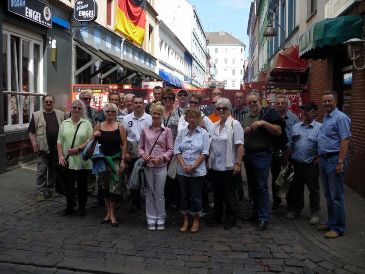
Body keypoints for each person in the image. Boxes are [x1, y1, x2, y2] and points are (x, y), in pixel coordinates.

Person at [243, 92, 284, 231]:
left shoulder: (268, 113)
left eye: (254, 101)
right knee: (252, 186)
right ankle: (255, 214)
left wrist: (263, 123)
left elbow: (278, 131)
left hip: (262, 155)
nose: (253, 104)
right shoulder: (247, 116)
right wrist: (245, 131)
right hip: (248, 155)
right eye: (250, 103)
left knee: (261, 187)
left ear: (259, 101)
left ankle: (263, 218)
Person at [317, 91, 351, 238]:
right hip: (324, 160)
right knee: (328, 194)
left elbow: (345, 140)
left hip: (334, 160)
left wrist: (340, 161)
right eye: (324, 101)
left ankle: (338, 228)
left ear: (336, 101)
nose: (327, 104)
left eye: (329, 101)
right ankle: (331, 222)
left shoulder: (341, 118)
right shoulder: (326, 116)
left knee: (336, 195)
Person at [208, 98, 244, 230]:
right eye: (219, 109)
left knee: (229, 194)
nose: (221, 111)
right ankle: (217, 216)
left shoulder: (235, 124)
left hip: (229, 166)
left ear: (229, 110)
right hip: (216, 166)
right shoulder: (215, 125)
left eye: (224, 108)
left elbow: (240, 146)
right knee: (217, 194)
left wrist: (238, 164)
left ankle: (231, 218)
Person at [285, 102, 321, 224]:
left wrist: (320, 157)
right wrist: (286, 159)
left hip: (311, 164)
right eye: (303, 110)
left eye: (307, 110)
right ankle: (296, 209)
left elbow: (324, 145)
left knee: (313, 189)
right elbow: (290, 144)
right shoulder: (296, 127)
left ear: (314, 112)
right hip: (297, 163)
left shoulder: (320, 128)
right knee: (296, 188)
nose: (304, 112)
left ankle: (315, 213)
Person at [139, 102, 173, 230]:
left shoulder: (167, 131)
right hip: (148, 166)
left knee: (159, 194)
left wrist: (162, 158)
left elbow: (171, 149)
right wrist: (144, 156)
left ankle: (160, 218)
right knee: (149, 193)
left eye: (159, 114)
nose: (156, 116)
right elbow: (140, 147)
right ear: (151, 114)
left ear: (162, 115)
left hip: (161, 166)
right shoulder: (145, 129)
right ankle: (151, 218)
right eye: (154, 113)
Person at [174, 108, 210, 233]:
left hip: (198, 171)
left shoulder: (203, 133)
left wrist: (193, 166)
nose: (192, 119)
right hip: (182, 170)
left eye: (194, 117)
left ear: (198, 118)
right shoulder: (182, 132)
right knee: (184, 195)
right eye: (190, 117)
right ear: (186, 119)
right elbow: (177, 150)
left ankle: (195, 219)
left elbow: (205, 152)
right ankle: (185, 220)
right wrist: (184, 165)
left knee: (196, 196)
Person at [57, 99, 93, 216]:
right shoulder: (64, 123)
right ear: (71, 109)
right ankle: (70, 206)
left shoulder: (86, 123)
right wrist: (61, 156)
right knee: (69, 185)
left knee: (82, 186)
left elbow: (91, 140)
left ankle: (82, 207)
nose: (76, 110)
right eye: (74, 107)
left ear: (82, 110)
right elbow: (59, 141)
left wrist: (79, 148)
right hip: (68, 160)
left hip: (82, 160)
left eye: (79, 108)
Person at [93, 103, 127, 228]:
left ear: (116, 113)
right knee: (104, 187)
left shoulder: (120, 126)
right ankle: (109, 213)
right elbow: (92, 143)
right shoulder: (98, 126)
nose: (110, 114)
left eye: (113, 112)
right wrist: (95, 136)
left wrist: (123, 160)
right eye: (108, 111)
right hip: (102, 161)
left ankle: (112, 214)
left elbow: (124, 144)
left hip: (115, 160)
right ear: (104, 112)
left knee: (115, 187)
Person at [28, 95, 64, 201]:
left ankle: (52, 190)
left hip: (56, 149)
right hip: (42, 149)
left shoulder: (61, 114)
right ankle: (40, 191)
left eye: (50, 101)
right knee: (42, 171)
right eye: (46, 101)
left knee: (53, 170)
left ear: (54, 102)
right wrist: (34, 144)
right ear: (43, 102)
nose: (48, 103)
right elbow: (31, 131)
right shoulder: (36, 115)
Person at [123, 95, 152, 212]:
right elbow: (124, 138)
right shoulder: (126, 119)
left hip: (147, 151)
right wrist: (125, 153)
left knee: (147, 178)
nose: (138, 104)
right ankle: (135, 203)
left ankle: (148, 202)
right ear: (132, 104)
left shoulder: (149, 118)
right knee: (133, 177)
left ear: (144, 104)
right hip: (132, 151)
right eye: (136, 103)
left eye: (140, 102)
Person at [271, 95, 299, 210]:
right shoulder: (271, 117)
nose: (280, 105)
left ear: (287, 105)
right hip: (275, 151)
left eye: (283, 103)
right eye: (278, 103)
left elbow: (296, 136)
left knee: (288, 177)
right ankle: (276, 201)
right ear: (275, 105)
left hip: (289, 151)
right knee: (275, 177)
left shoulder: (294, 118)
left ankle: (290, 202)